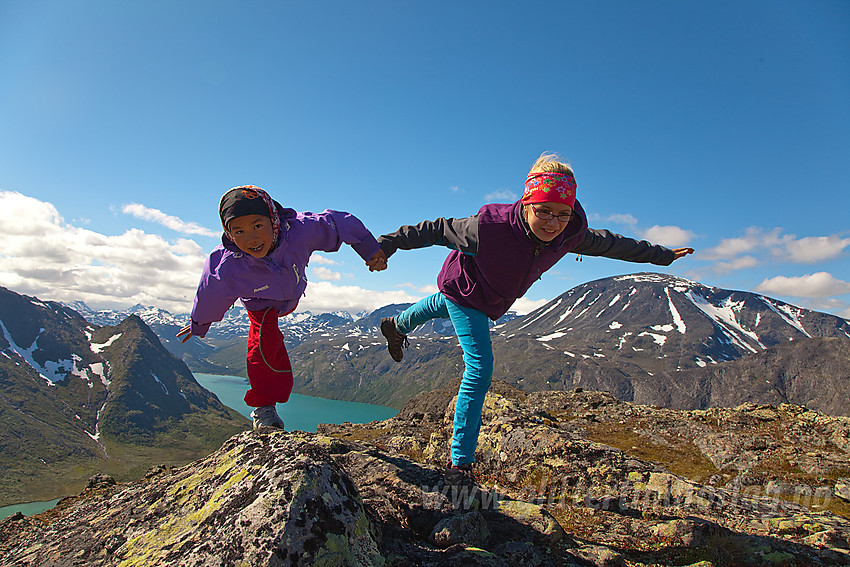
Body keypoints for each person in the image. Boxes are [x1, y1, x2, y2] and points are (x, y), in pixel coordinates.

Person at [377, 153, 693, 483]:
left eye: (562, 214)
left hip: (489, 294)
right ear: (527, 202)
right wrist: (386, 245)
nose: (553, 223)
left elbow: (611, 244)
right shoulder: (488, 228)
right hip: (468, 290)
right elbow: (434, 230)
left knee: (442, 305)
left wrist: (663, 256)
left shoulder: (571, 233)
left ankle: (395, 326)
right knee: (480, 366)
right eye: (543, 211)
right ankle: (460, 463)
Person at [178, 185, 387, 429]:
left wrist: (369, 249)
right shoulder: (227, 265)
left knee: (266, 340)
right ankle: (264, 410)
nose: (251, 238)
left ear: (273, 220)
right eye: (239, 231)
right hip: (260, 303)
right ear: (228, 233)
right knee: (263, 345)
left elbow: (338, 222)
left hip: (292, 291)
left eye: (257, 226)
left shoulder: (299, 230)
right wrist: (199, 323)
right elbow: (209, 294)